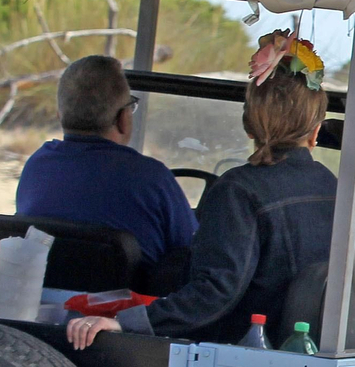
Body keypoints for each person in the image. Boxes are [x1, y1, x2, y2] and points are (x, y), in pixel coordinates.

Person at [67, 31, 337, 348]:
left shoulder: (239, 189)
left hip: (240, 349)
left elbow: (215, 292)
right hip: (303, 346)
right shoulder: (333, 187)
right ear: (315, 132)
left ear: (248, 125)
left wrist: (125, 322)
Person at [16, 55, 196, 265]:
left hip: (42, 295)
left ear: (60, 115)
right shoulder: (151, 178)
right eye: (131, 106)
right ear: (122, 119)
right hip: (133, 297)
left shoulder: (36, 166)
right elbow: (195, 254)